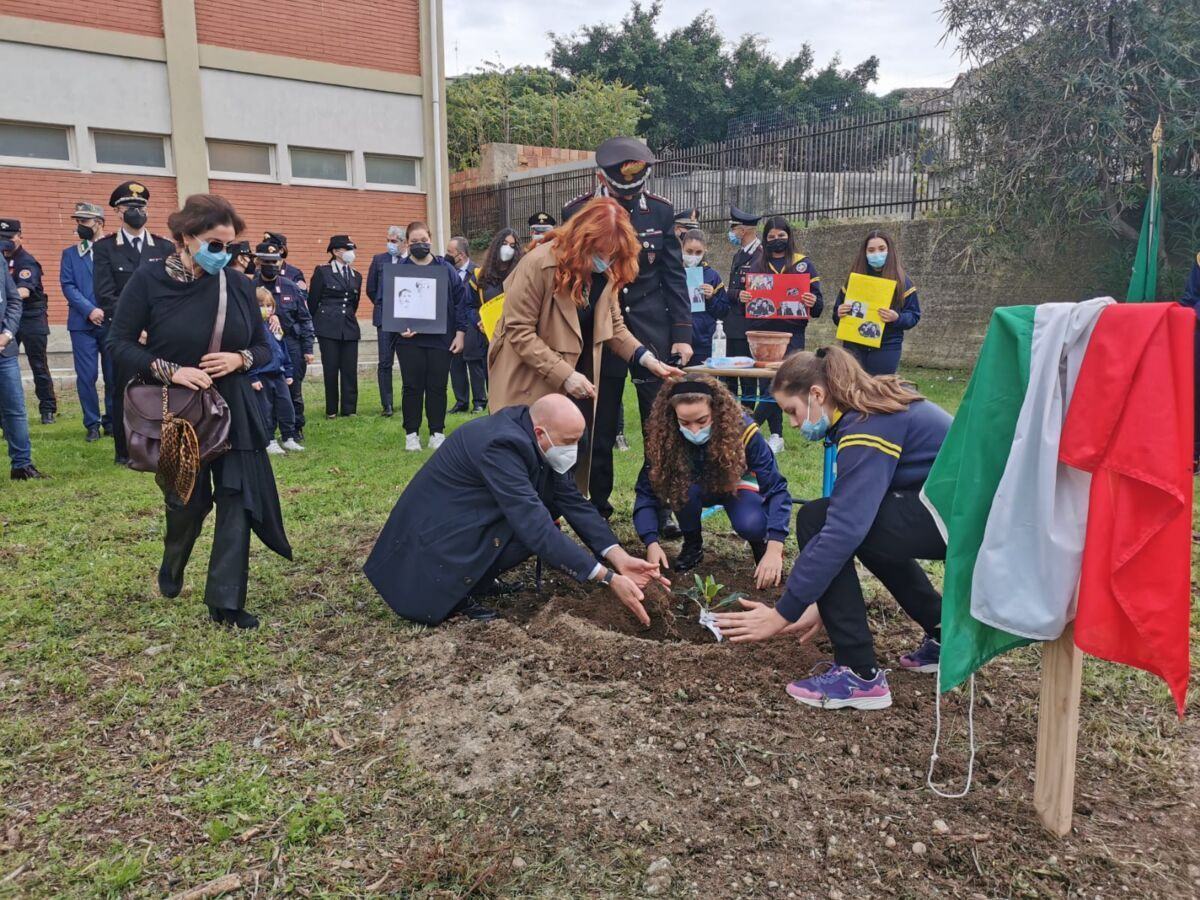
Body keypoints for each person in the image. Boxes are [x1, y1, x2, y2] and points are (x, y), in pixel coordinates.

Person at [714, 346, 952, 711]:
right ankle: (944, 634)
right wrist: (823, 599)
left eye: (792, 411)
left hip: (959, 519)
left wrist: (782, 614)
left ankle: (859, 674)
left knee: (818, 519)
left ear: (817, 395)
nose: (793, 424)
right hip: (957, 511)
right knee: (852, 523)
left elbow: (842, 530)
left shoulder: (866, 429)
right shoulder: (871, 410)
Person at [109, 193, 292, 628]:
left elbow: (265, 346)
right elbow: (118, 344)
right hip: (179, 409)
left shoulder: (239, 285)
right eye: (214, 244)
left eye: (229, 246)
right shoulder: (149, 280)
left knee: (237, 498)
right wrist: (172, 371)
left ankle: (225, 602)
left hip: (234, 404)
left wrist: (239, 360)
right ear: (185, 238)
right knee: (187, 502)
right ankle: (173, 563)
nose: (222, 254)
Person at [364, 393, 669, 624]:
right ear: (540, 433)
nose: (573, 450)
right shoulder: (500, 445)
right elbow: (533, 525)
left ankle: (478, 581)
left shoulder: (537, 436)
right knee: (537, 530)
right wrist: (606, 578)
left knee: (542, 524)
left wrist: (619, 557)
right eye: (568, 441)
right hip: (434, 543)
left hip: (469, 522)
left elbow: (573, 501)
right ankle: (457, 595)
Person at [489, 197, 684, 494]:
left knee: (568, 461)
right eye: (601, 251)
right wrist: (564, 374)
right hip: (529, 377)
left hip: (576, 377)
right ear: (582, 239)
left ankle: (556, 522)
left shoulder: (606, 273)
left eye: (613, 253)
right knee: (526, 461)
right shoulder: (538, 264)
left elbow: (615, 326)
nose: (605, 259)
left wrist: (645, 358)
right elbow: (519, 332)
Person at [561, 137, 693, 522]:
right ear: (601, 177)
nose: (628, 197)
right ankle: (596, 503)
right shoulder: (577, 210)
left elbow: (673, 276)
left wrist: (682, 334)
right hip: (600, 331)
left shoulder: (661, 212)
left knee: (660, 422)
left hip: (652, 329)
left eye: (634, 190)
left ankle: (659, 503)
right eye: (621, 189)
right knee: (599, 421)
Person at [635, 376, 790, 584]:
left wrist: (775, 545)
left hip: (737, 483)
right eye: (684, 422)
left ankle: (760, 548)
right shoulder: (665, 437)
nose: (694, 430)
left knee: (752, 523)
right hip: (694, 487)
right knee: (680, 488)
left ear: (716, 410)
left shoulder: (743, 430)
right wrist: (651, 542)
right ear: (673, 417)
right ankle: (692, 545)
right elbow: (646, 493)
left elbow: (777, 488)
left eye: (702, 421)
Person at [93, 180, 173, 465]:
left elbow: (170, 291)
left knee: (160, 390)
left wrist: (154, 327)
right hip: (125, 334)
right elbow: (105, 293)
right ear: (118, 212)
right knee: (123, 390)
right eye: (130, 207)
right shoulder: (104, 249)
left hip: (159, 333)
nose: (136, 211)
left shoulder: (164, 247)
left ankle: (160, 445)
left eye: (141, 207)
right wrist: (134, 328)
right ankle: (125, 451)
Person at [735, 215, 824, 453]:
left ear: (789, 236)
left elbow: (818, 308)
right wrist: (744, 298)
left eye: (781, 236)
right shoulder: (757, 265)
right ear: (765, 239)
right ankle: (776, 436)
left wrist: (812, 300)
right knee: (767, 385)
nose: (777, 240)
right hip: (764, 334)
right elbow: (748, 304)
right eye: (771, 237)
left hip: (792, 333)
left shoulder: (803, 264)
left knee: (779, 384)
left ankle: (748, 429)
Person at [394, 221, 468, 451]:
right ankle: (412, 433)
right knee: (412, 386)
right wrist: (399, 327)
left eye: (423, 241)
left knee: (437, 385)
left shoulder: (445, 269)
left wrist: (460, 333)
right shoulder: (399, 270)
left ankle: (437, 431)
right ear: (407, 243)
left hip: (440, 338)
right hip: (409, 341)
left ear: (431, 240)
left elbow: (460, 302)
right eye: (414, 242)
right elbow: (387, 303)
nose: (419, 245)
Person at [832, 230, 921, 375]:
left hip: (887, 346)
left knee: (880, 391)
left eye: (881, 249)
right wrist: (839, 313)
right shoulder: (854, 280)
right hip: (854, 345)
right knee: (852, 390)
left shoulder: (903, 282)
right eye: (871, 250)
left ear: (890, 250)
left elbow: (914, 315)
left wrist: (896, 318)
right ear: (865, 253)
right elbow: (836, 315)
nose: (876, 254)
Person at [60, 202, 114, 442]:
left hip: (111, 323)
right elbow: (68, 286)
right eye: (78, 221)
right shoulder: (70, 254)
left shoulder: (113, 250)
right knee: (87, 376)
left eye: (84, 221)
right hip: (83, 324)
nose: (80, 226)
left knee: (114, 375)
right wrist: (90, 309)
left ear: (99, 223)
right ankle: (91, 423)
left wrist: (108, 310)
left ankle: (112, 421)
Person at [253, 240, 313, 440]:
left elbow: (304, 318)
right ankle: (266, 432)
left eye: (275, 261)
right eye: (266, 261)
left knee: (293, 387)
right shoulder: (249, 286)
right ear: (258, 262)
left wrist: (308, 349)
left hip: (290, 344)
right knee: (266, 393)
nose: (271, 266)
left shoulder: (289, 286)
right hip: (261, 345)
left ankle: (294, 429)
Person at [461, 228, 524, 414]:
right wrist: (479, 320)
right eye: (504, 244)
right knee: (489, 375)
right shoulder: (480, 275)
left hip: (513, 335)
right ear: (496, 246)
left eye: (512, 246)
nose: (508, 249)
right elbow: (469, 305)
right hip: (485, 335)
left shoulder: (521, 274)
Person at [0, 218, 56, 424]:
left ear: (19, 236)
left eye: (9, 238)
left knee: (38, 365)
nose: (6, 242)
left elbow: (24, 290)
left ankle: (47, 409)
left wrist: (4, 295)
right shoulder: (1, 259)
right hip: (8, 320)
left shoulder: (26, 261)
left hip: (31, 319)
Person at [309, 235, 363, 418]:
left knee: (349, 369)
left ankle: (349, 409)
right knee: (330, 368)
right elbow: (313, 301)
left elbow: (354, 304)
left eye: (351, 249)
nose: (351, 253)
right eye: (347, 249)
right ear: (335, 252)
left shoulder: (356, 275)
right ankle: (331, 409)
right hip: (327, 327)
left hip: (349, 327)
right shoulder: (322, 272)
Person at [1, 264, 45, 479]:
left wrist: (7, 334)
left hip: (4, 349)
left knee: (15, 410)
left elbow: (14, 300)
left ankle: (22, 466)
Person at [249, 287, 304, 455]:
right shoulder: (251, 329)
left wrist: (288, 371)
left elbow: (283, 349)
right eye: (260, 305)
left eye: (269, 306)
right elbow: (248, 354)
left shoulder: (274, 326)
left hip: (278, 373)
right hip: (261, 374)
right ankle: (269, 439)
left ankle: (288, 437)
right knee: (266, 410)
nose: (265, 309)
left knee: (286, 406)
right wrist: (252, 376)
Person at [723, 205, 764, 410]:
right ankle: (731, 414)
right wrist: (736, 294)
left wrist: (736, 294)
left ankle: (748, 418)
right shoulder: (738, 255)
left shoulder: (760, 255)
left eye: (734, 227)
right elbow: (733, 290)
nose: (732, 232)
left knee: (748, 377)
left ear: (744, 230)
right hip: (733, 323)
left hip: (750, 325)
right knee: (730, 374)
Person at [365, 225, 407, 416]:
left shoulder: (410, 261)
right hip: (384, 316)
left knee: (408, 361)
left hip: (406, 317)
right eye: (388, 240)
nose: (390, 244)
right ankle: (387, 404)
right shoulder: (379, 260)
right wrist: (384, 305)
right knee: (385, 362)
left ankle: (409, 399)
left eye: (394, 241)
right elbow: (371, 289)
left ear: (403, 243)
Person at [680, 229, 728, 362]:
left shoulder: (712, 276)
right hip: (677, 340)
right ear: (682, 248)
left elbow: (724, 311)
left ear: (705, 251)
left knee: (703, 382)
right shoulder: (673, 273)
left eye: (698, 252)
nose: (693, 256)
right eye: (689, 252)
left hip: (703, 342)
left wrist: (711, 297)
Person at [446, 235, 479, 413]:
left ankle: (480, 400)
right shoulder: (447, 271)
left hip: (473, 325)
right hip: (454, 324)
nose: (447, 255)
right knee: (455, 364)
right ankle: (461, 401)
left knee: (474, 364)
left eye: (450, 252)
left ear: (461, 254)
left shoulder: (478, 272)